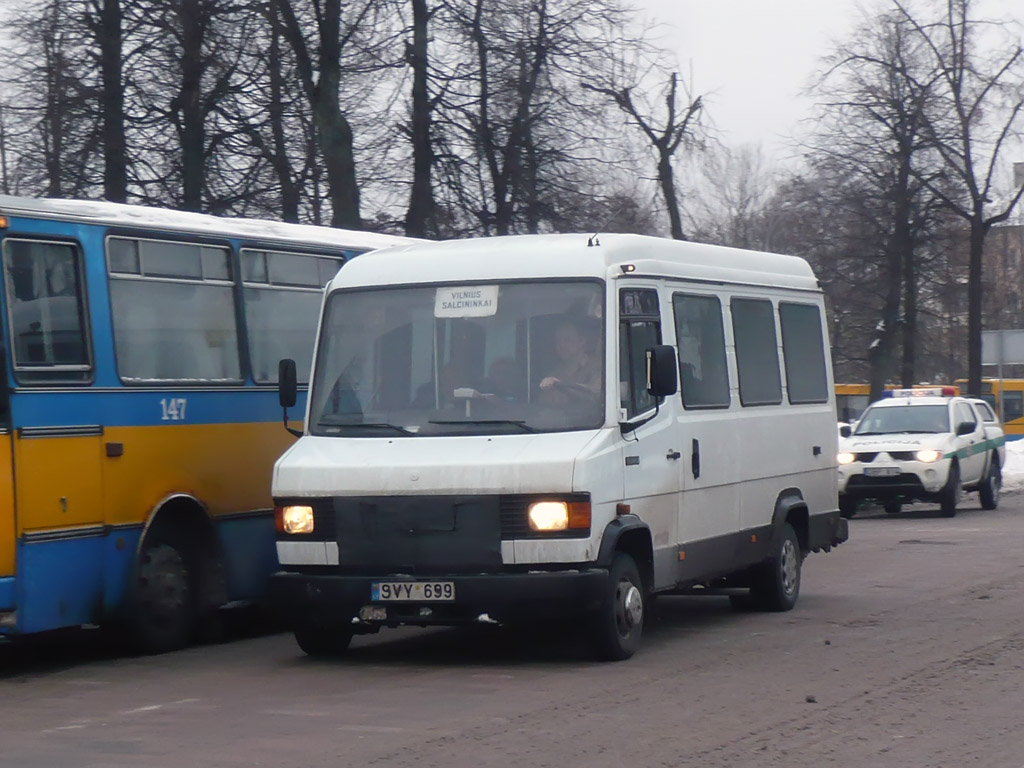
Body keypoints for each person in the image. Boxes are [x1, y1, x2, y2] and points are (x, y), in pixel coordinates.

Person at [539, 317, 601, 405]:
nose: (561, 345)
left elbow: (597, 395)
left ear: (581, 341)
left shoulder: (599, 367)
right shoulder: (555, 374)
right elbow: (543, 405)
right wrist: (548, 391)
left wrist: (563, 387)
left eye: (567, 340)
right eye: (557, 341)